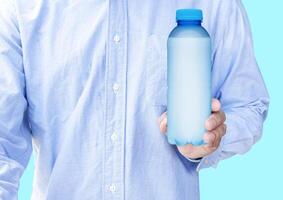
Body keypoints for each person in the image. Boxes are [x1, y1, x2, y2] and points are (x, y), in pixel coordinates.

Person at [0, 0, 269, 199]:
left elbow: (249, 104)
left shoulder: (212, 4)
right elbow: (3, 146)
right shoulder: (21, 7)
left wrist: (215, 136)